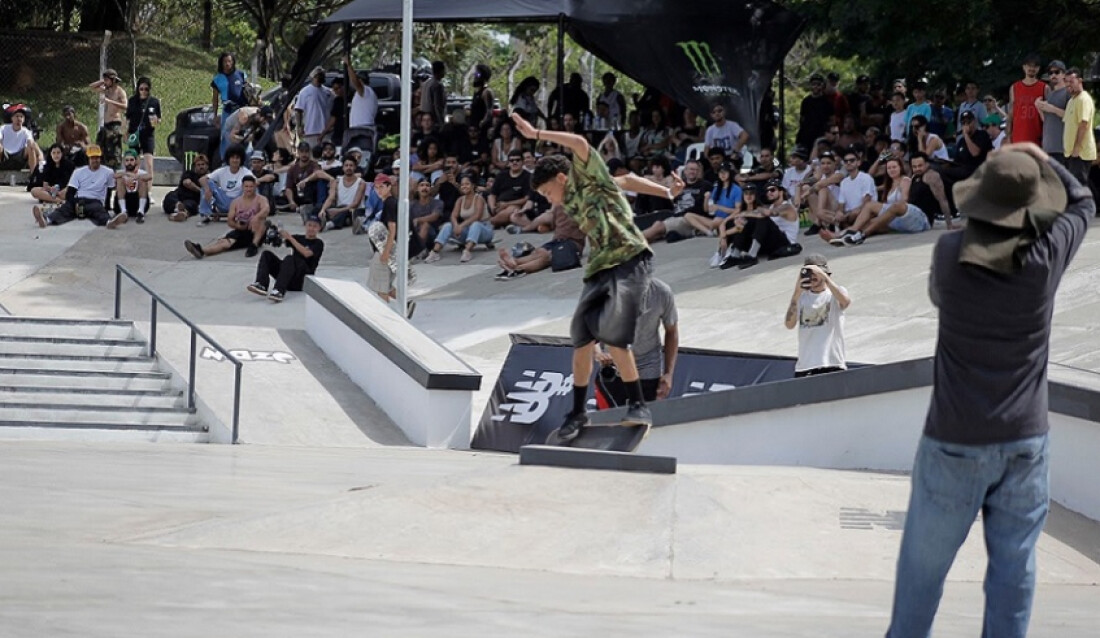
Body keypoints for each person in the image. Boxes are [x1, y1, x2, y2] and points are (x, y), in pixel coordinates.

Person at [885, 142, 1094, 638]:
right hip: (1025, 439)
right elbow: (1083, 201)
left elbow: (941, 293)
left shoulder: (948, 254)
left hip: (953, 438)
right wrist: (1042, 158)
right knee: (1014, 569)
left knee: (922, 570)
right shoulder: (1045, 258)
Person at [509, 111, 686, 440]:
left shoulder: (588, 176)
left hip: (631, 258)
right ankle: (578, 412)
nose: (549, 200)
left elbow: (578, 143)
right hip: (601, 265)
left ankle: (638, 405)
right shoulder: (577, 198)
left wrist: (535, 134)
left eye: (548, 192)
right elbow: (628, 181)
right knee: (582, 336)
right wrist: (665, 192)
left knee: (614, 331)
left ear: (561, 179)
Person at [594, 277, 679, 404]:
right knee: (609, 420)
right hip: (614, 367)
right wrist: (597, 352)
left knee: (644, 420)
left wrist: (668, 373)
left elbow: (672, 331)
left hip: (648, 368)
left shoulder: (662, 292)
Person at [783, 253, 850, 377]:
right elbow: (789, 324)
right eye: (809, 274)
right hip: (805, 366)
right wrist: (797, 291)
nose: (812, 277)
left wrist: (825, 277)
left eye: (815, 274)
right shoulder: (801, 297)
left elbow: (845, 302)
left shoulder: (834, 294)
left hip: (832, 363)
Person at [33, 145, 123, 229]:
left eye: (97, 158)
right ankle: (46, 220)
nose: (95, 160)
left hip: (96, 200)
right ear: (88, 158)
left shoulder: (108, 172)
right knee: (65, 209)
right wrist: (73, 203)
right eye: (92, 158)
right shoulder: (78, 172)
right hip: (79, 200)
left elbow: (110, 190)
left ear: (100, 158)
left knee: (98, 211)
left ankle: (109, 222)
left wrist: (106, 206)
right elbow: (71, 191)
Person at [365, 174, 417, 317]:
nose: (379, 190)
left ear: (389, 187)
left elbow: (392, 228)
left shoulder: (389, 203)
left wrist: (386, 252)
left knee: (381, 285)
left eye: (382, 187)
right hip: (390, 247)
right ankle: (405, 303)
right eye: (376, 188)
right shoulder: (391, 202)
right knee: (384, 284)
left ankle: (385, 316)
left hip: (388, 249)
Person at [185, 174, 271, 259]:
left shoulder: (261, 199)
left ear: (255, 186)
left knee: (263, 222)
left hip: (256, 231)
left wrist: (255, 218)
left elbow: (266, 209)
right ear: (242, 187)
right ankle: (202, 250)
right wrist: (238, 226)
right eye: (246, 186)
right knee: (224, 243)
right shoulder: (236, 202)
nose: (249, 189)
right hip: (242, 230)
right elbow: (230, 221)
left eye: (251, 187)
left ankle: (254, 245)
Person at [247, 215, 325, 303]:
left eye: (315, 226)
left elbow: (307, 253)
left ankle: (278, 291)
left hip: (302, 280)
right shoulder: (298, 238)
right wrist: (274, 234)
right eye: (309, 225)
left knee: (289, 258)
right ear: (305, 226)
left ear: (319, 228)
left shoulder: (318, 243)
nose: (311, 228)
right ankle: (261, 284)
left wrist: (290, 238)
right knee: (267, 255)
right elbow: (281, 241)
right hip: (289, 278)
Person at [425, 173, 494, 263]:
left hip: (484, 230)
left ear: (473, 186)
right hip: (468, 230)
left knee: (475, 224)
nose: (464, 186)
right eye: (462, 185)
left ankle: (467, 251)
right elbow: (453, 216)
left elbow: (477, 216)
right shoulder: (460, 200)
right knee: (447, 226)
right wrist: (456, 225)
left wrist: (461, 226)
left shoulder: (479, 198)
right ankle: (435, 252)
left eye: (467, 184)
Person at [198, 144, 253, 224]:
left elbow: (255, 182)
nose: (235, 160)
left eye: (237, 158)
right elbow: (202, 179)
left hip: (239, 203)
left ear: (241, 159)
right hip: (223, 201)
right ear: (228, 159)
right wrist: (207, 190)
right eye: (232, 158)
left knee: (251, 185)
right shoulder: (222, 171)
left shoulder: (246, 172)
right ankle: (206, 215)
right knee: (206, 184)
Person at [1061, 67, 1096, 185]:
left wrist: (1077, 147)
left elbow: (1083, 124)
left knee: (1079, 187)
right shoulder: (1071, 101)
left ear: (1080, 81)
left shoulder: (1083, 99)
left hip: (1080, 153)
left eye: (1071, 81)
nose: (1068, 85)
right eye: (1066, 82)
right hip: (1071, 153)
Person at [125, 76, 161, 184]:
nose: (144, 91)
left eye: (146, 89)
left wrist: (156, 121)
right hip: (134, 134)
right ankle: (132, 185)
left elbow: (159, 118)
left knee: (149, 163)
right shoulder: (132, 101)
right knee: (133, 162)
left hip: (148, 134)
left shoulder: (154, 102)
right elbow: (127, 118)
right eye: (141, 89)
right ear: (138, 89)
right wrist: (125, 133)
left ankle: (149, 191)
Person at [89, 68, 127, 168]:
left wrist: (109, 101)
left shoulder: (120, 92)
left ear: (113, 80)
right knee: (101, 147)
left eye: (107, 80)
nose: (105, 82)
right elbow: (92, 87)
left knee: (113, 151)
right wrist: (103, 80)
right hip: (106, 124)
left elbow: (125, 106)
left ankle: (116, 170)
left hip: (115, 124)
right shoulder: (106, 90)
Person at [318, 157, 366, 231]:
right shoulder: (337, 181)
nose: (348, 167)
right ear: (343, 168)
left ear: (355, 167)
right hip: (339, 208)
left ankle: (329, 225)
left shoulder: (361, 183)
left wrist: (337, 211)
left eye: (351, 165)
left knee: (345, 212)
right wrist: (323, 210)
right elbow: (331, 198)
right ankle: (316, 221)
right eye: (346, 165)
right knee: (320, 207)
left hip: (352, 211)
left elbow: (355, 203)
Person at [1034, 60, 1069, 164]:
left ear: (1064, 74)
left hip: (1061, 148)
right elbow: (1046, 119)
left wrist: (1052, 108)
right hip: (1048, 147)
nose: (1053, 75)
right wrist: (1039, 108)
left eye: (1057, 72)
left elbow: (1072, 118)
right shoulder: (1050, 94)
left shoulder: (1068, 92)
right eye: (1050, 73)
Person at [1007, 53, 1046, 145]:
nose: (1031, 69)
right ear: (1024, 67)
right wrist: (1008, 136)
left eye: (1035, 66)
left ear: (1038, 68)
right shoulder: (1014, 87)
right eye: (1029, 65)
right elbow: (1011, 114)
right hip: (1018, 137)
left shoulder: (1044, 87)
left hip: (1037, 138)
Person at [29, 144, 75, 220]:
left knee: (69, 190)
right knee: (34, 191)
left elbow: (70, 182)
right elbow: (45, 184)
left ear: (62, 153)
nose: (56, 155)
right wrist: (50, 189)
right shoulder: (47, 165)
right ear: (50, 154)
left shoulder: (69, 164)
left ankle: (49, 199)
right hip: (52, 191)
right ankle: (59, 201)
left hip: (63, 190)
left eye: (58, 153)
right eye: (54, 153)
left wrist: (58, 189)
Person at [296, 66, 333, 150]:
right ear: (314, 77)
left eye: (322, 75)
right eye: (319, 75)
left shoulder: (328, 92)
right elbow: (299, 110)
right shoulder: (305, 92)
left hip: (325, 131)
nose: (321, 77)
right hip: (310, 131)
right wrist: (299, 126)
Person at [164, 153, 209, 221]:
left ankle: (182, 213)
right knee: (169, 197)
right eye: (198, 165)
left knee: (191, 206)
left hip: (192, 199)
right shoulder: (189, 173)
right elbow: (187, 183)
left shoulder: (210, 177)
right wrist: (200, 191)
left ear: (207, 166)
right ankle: (179, 208)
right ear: (195, 167)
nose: (201, 167)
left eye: (203, 164)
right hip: (179, 195)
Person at [113, 149, 152, 224]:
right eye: (127, 160)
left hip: (137, 202)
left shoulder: (141, 172)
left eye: (131, 160)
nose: (129, 163)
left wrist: (136, 177)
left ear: (135, 161)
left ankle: (140, 212)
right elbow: (114, 175)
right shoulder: (120, 173)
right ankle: (123, 211)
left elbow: (149, 176)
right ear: (124, 162)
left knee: (142, 179)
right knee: (119, 179)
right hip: (124, 202)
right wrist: (126, 174)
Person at [211, 52, 248, 126]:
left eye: (229, 61)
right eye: (225, 61)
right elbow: (215, 100)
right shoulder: (217, 79)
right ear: (221, 63)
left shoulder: (241, 74)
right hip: (228, 111)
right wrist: (215, 116)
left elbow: (248, 90)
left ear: (233, 62)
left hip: (242, 110)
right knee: (226, 134)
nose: (227, 64)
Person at [419, 61, 447, 127]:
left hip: (424, 117)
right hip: (433, 120)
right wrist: (441, 123)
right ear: (441, 71)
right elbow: (438, 105)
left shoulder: (426, 83)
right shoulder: (437, 85)